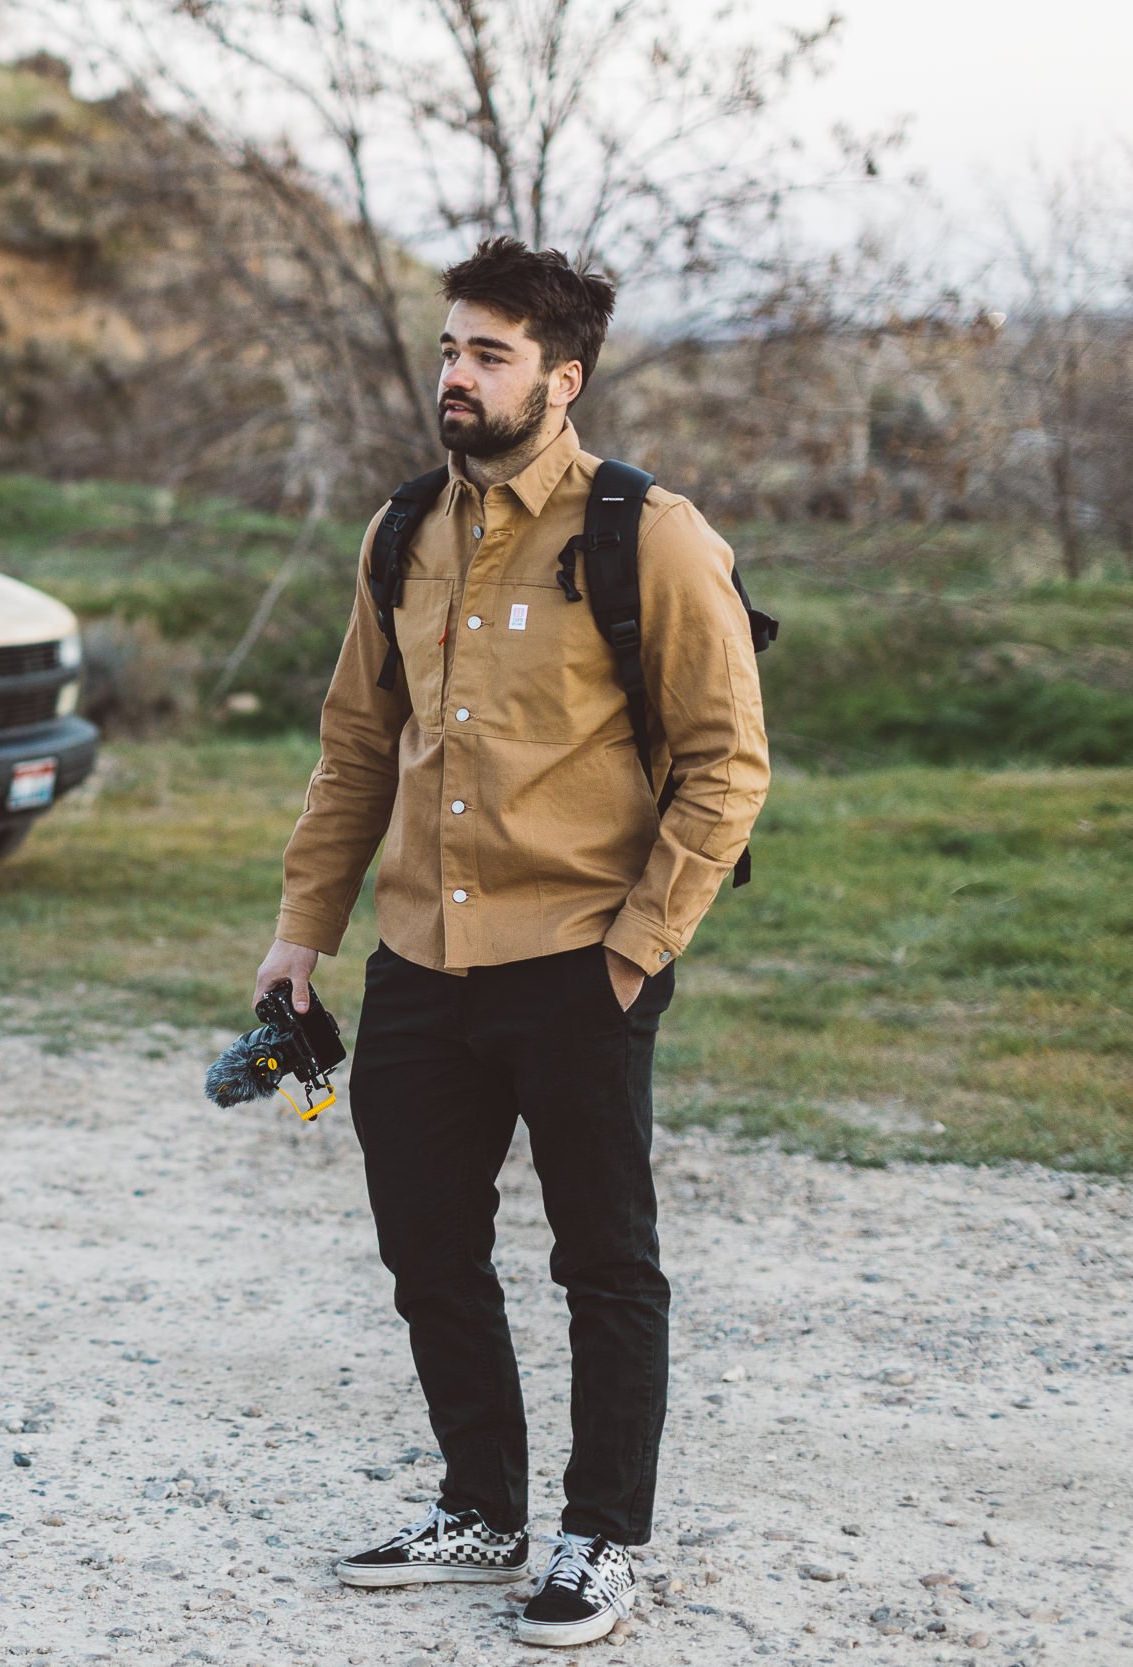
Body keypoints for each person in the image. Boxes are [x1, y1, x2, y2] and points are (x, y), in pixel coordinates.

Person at [253, 238, 770, 1649]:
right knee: (426, 1247)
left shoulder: (645, 534)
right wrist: (305, 931)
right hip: (420, 962)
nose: (457, 377)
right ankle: (480, 1506)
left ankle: (602, 1537)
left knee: (606, 1262)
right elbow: (359, 749)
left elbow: (728, 762)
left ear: (563, 377)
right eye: (448, 349)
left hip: (577, 960)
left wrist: (634, 953)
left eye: (488, 354)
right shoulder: (402, 532)